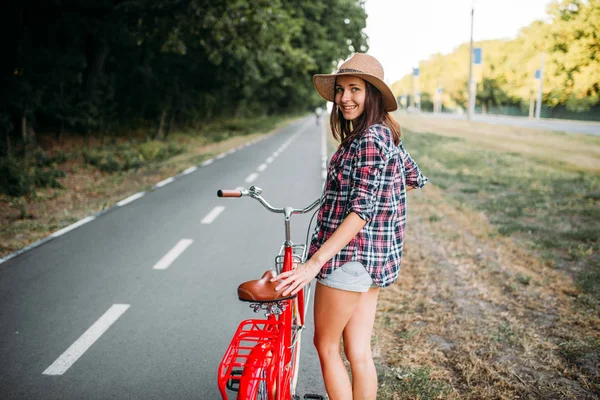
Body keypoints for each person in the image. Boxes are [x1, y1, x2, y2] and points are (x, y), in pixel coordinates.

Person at [272, 53, 427, 400]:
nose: (344, 98)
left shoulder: (369, 139)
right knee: (357, 351)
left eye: (354, 89)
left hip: (349, 258)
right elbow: (414, 178)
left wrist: (313, 265)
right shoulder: (384, 134)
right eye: (341, 89)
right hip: (372, 262)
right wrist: (378, 194)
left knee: (325, 346)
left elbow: (360, 212)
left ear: (371, 93)